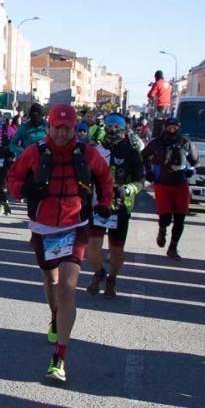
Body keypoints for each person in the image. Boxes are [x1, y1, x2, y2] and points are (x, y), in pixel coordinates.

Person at [7, 104, 113, 383]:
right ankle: (55, 315)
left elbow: (105, 178)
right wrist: (23, 190)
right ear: (50, 127)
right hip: (43, 228)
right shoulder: (35, 152)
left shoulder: (87, 153)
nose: (63, 133)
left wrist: (104, 203)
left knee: (67, 287)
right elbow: (14, 178)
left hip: (75, 226)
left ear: (74, 128)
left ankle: (59, 356)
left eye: (67, 128)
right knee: (50, 282)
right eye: (58, 127)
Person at [85, 114, 145, 299]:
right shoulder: (95, 151)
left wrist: (127, 189)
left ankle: (112, 278)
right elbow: (86, 176)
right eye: (109, 126)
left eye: (116, 127)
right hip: (98, 205)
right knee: (92, 247)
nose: (112, 130)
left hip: (121, 207)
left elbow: (140, 180)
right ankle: (98, 272)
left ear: (123, 130)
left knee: (116, 250)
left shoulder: (132, 152)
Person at [141, 117, 198, 260]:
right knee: (165, 217)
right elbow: (143, 156)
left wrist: (191, 169)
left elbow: (195, 160)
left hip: (180, 184)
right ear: (165, 127)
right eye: (170, 127)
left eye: (175, 127)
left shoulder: (185, 142)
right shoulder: (156, 143)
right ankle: (162, 229)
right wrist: (148, 171)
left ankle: (173, 247)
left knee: (180, 218)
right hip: (162, 183)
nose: (172, 130)